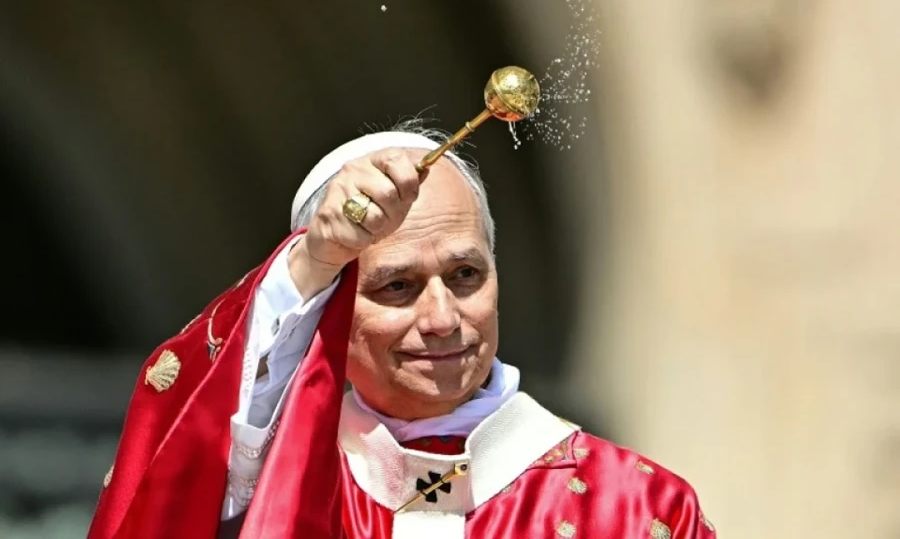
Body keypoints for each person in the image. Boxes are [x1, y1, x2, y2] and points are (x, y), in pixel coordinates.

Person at [87, 126, 717, 539]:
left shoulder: (638, 510)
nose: (443, 318)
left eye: (466, 274)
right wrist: (314, 260)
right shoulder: (273, 485)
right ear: (333, 306)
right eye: (398, 286)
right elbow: (174, 473)